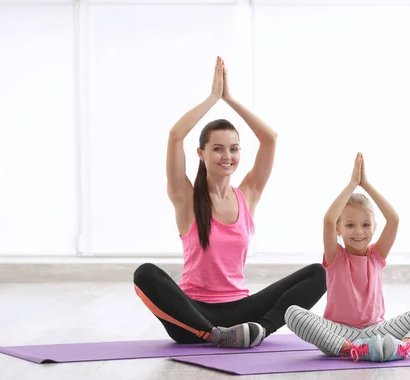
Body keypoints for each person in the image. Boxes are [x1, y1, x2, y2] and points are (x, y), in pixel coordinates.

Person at [133, 56, 326, 349]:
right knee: (144, 274)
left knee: (318, 273)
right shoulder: (186, 196)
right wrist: (213, 98)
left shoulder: (248, 194)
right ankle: (215, 336)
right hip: (194, 314)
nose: (227, 156)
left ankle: (259, 330)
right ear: (201, 153)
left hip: (241, 310)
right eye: (218, 149)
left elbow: (270, 139)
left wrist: (231, 99)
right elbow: (175, 136)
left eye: (234, 149)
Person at [284, 152, 410, 362]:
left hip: (378, 331)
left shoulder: (376, 255)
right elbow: (329, 220)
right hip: (339, 334)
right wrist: (352, 184)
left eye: (365, 225)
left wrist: (365, 184)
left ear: (374, 227)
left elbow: (394, 219)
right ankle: (352, 350)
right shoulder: (335, 256)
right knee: (292, 313)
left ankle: (403, 347)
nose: (359, 231)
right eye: (350, 225)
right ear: (339, 229)